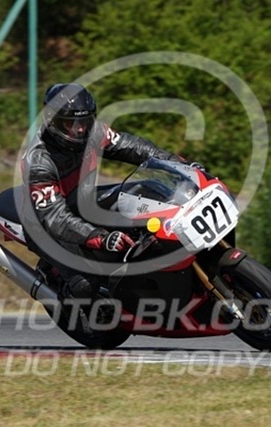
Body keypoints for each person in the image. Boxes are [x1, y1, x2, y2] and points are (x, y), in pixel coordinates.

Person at [20, 83, 189, 308]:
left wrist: (174, 163)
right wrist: (100, 237)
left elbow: (130, 146)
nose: (80, 130)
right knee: (84, 284)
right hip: (45, 226)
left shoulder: (93, 131)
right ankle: (70, 304)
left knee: (146, 196)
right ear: (53, 122)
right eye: (71, 124)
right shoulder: (39, 161)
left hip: (81, 203)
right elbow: (55, 218)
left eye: (85, 121)